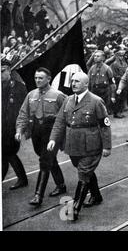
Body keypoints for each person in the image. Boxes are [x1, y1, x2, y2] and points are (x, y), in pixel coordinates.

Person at [48, 72, 111, 221]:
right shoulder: (68, 100)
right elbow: (60, 122)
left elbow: (105, 125)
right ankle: (96, 196)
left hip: (91, 145)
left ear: (86, 84)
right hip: (73, 145)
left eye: (77, 81)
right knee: (85, 170)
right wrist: (53, 139)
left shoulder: (96, 101)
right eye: (72, 81)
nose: (73, 84)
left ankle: (75, 208)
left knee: (83, 173)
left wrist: (107, 146)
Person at [16, 68, 67, 206]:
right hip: (36, 131)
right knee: (46, 157)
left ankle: (38, 195)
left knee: (45, 160)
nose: (37, 80)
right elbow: (23, 113)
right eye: (36, 78)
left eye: (41, 78)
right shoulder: (31, 95)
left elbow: (67, 114)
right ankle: (61, 185)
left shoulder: (58, 95)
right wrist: (19, 130)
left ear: (48, 79)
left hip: (52, 132)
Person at [1, 59, 28, 189]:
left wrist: (20, 128)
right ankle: (22, 179)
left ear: (9, 70)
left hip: (12, 127)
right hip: (2, 126)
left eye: (2, 71)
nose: (0, 74)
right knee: (6, 154)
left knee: (8, 153)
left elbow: (23, 109)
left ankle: (22, 179)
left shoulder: (18, 87)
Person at [108, 45, 128, 118]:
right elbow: (114, 74)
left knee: (122, 97)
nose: (121, 57)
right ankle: (116, 112)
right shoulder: (114, 64)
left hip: (124, 82)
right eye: (120, 56)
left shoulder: (124, 63)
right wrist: (121, 78)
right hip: (117, 82)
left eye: (122, 56)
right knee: (118, 98)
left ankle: (120, 111)